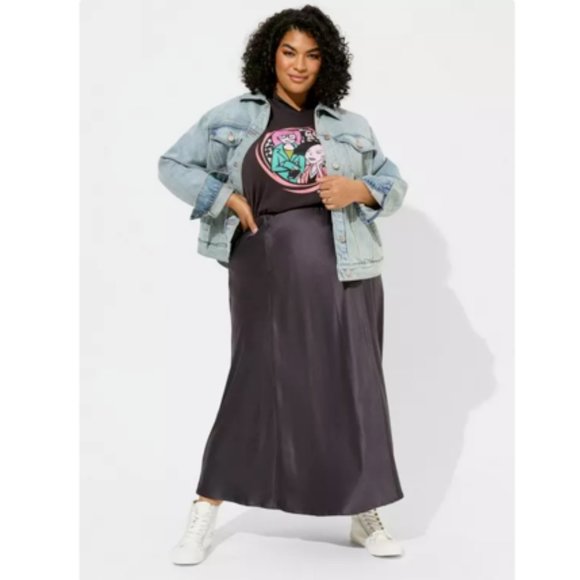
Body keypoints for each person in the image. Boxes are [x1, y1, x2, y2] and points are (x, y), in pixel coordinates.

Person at [158, 4, 408, 565]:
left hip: (349, 267)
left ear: (326, 62)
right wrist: (226, 197)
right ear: (270, 55)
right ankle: (205, 508)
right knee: (256, 380)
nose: (299, 64)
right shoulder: (235, 116)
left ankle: (364, 510)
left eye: (312, 55)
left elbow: (392, 183)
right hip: (266, 266)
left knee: (355, 384)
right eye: (289, 51)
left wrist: (358, 190)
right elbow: (173, 164)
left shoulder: (350, 125)